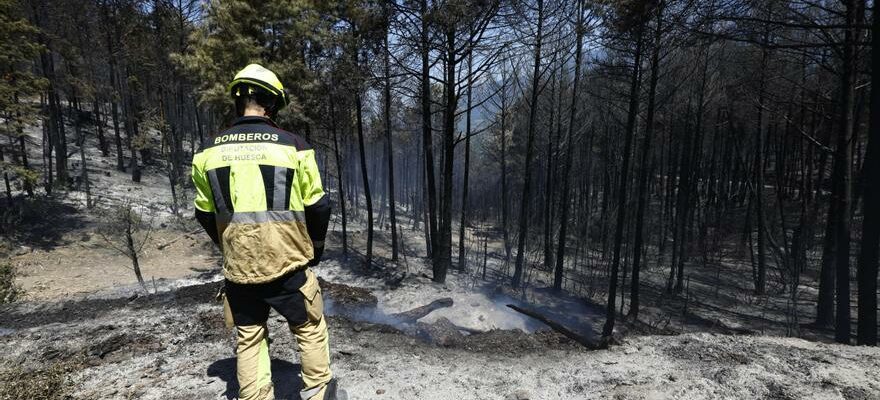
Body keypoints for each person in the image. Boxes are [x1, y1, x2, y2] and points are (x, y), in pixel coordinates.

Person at [191, 64, 339, 400]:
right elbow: (318, 207)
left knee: (250, 335)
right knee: (309, 326)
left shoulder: (207, 152)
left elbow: (203, 213)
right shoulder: (294, 147)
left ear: (237, 102)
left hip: (240, 269)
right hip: (288, 263)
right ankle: (319, 392)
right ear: (272, 105)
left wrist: (227, 246)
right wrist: (314, 248)